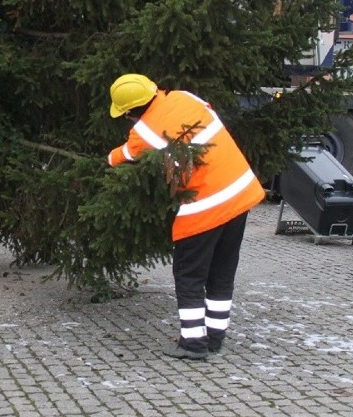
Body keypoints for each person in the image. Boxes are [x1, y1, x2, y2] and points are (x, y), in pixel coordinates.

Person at [106, 73, 264, 359]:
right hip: (240, 190)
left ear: (131, 111)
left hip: (207, 202)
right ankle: (214, 338)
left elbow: (125, 155)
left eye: (126, 115)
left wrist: (107, 159)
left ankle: (193, 343)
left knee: (189, 272)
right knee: (222, 270)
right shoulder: (185, 96)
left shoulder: (144, 132)